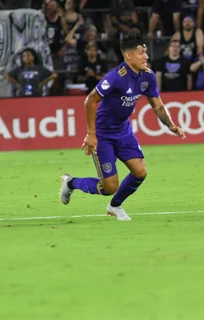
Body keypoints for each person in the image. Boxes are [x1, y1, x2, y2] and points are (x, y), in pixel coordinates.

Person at [59, 33, 186, 221]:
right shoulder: (115, 77)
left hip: (123, 131)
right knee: (109, 187)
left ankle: (115, 206)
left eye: (146, 52)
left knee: (140, 172)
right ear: (129, 56)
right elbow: (90, 101)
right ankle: (71, 183)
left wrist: (171, 125)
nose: (147, 57)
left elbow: (157, 105)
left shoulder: (147, 76)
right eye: (142, 53)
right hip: (103, 135)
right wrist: (91, 134)